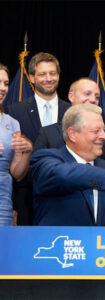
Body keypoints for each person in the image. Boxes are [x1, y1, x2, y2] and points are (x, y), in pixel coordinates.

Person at [30, 103, 105, 226]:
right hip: (58, 244)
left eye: (104, 130)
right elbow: (63, 175)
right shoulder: (45, 159)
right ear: (72, 134)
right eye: (96, 131)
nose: (104, 136)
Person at [5, 52, 70, 225]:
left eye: (53, 73)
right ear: (32, 78)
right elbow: (8, 163)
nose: (49, 78)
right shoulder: (14, 112)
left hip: (65, 197)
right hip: (26, 198)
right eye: (42, 74)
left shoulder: (72, 112)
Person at [34, 78, 105, 166]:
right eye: (87, 94)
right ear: (71, 96)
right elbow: (36, 170)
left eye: (97, 97)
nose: (93, 100)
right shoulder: (48, 133)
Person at [0, 64, 33, 225]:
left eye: (6, 84)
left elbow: (17, 174)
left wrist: (27, 151)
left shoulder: (12, 123)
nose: (3, 88)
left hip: (3, 206)